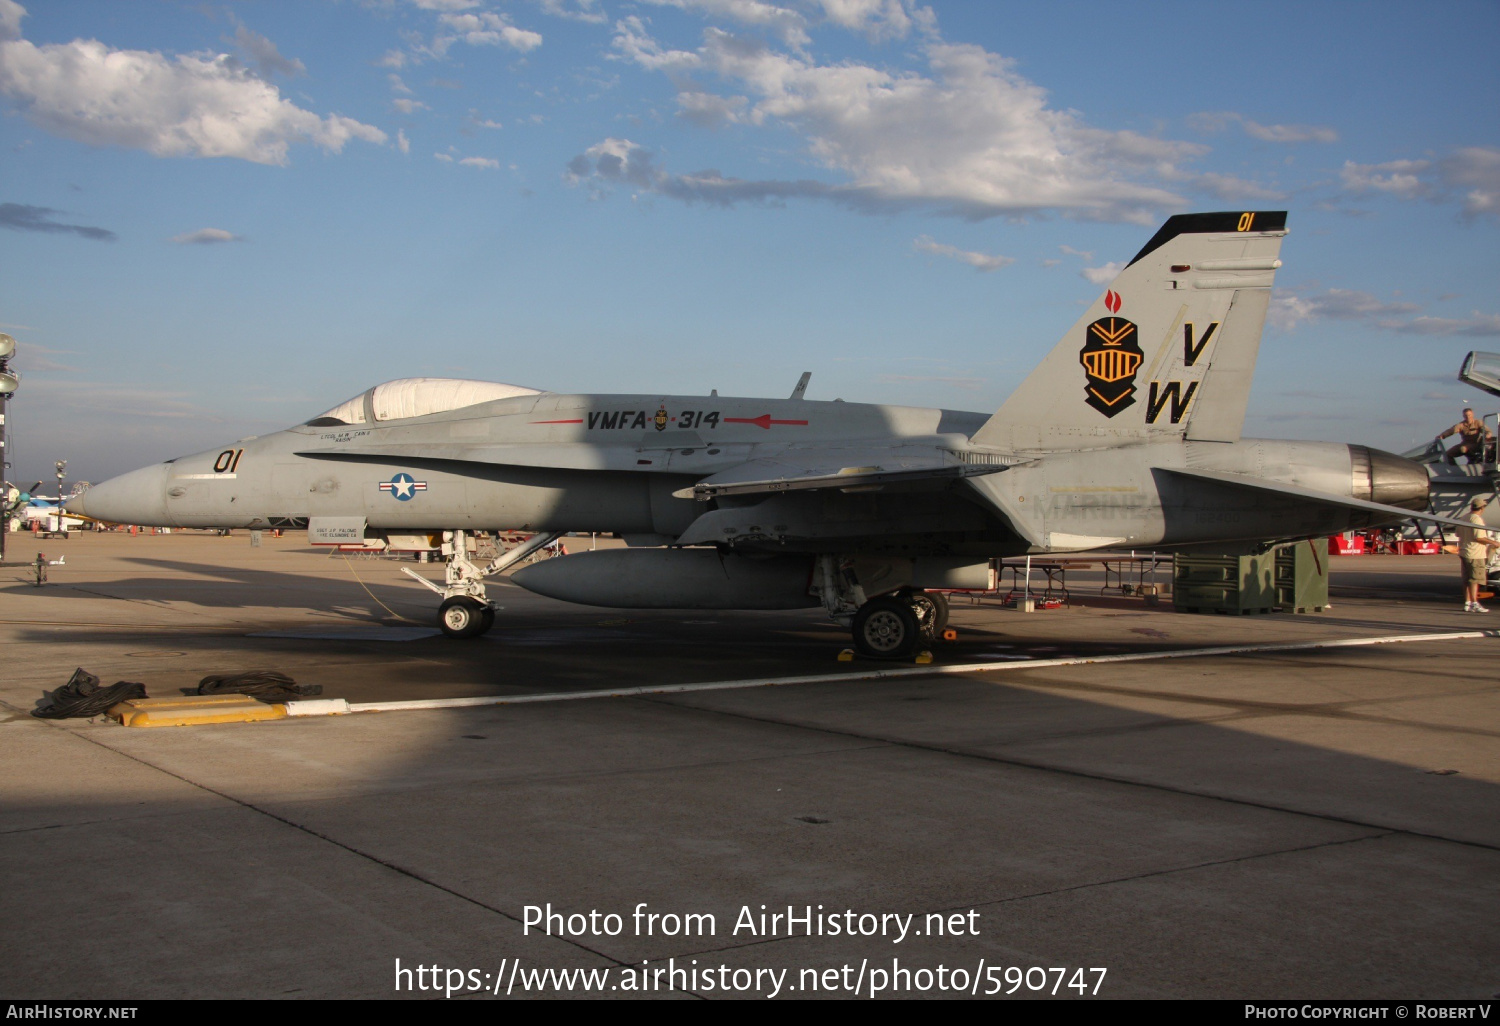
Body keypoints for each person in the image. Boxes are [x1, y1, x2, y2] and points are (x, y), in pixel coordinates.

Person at [1456, 496, 1499, 612]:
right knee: (1475, 579)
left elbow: (1457, 534)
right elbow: (1479, 537)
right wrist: (1493, 542)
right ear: (1482, 508)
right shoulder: (1477, 519)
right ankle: (1475, 603)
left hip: (1464, 551)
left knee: (1466, 579)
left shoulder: (1463, 518)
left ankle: (1467, 602)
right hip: (1475, 553)